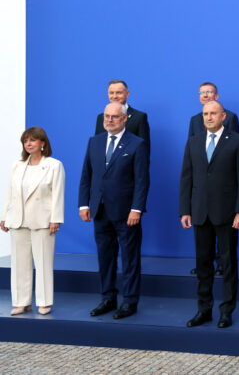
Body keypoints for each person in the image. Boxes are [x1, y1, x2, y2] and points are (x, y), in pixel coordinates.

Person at [180, 101, 239, 329]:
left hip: (228, 213)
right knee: (203, 264)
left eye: (213, 113)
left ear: (223, 116)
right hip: (200, 213)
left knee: (228, 263)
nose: (209, 117)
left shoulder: (238, 141)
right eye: (205, 114)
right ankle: (204, 310)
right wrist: (185, 210)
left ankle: (226, 311)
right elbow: (186, 178)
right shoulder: (193, 142)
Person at [79, 102, 150, 319]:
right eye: (106, 117)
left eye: (114, 117)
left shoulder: (137, 144)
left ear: (124, 118)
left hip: (126, 213)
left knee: (129, 258)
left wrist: (136, 209)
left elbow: (141, 181)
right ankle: (108, 298)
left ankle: (130, 301)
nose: (109, 120)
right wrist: (84, 204)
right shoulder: (95, 142)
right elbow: (86, 176)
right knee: (105, 257)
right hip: (100, 211)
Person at [1, 127, 64, 315]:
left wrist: (56, 219)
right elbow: (10, 193)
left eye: (33, 140)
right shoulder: (17, 165)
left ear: (42, 143)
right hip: (18, 219)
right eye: (25, 140)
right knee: (19, 263)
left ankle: (44, 302)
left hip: (43, 220)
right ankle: (22, 301)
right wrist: (4, 216)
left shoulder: (54, 165)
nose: (28, 144)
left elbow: (58, 194)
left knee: (43, 263)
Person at [187, 82, 239, 277]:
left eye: (209, 92)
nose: (205, 95)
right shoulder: (194, 120)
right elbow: (192, 154)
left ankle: (221, 264)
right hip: (202, 188)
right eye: (202, 93)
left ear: (217, 96)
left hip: (223, 188)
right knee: (202, 238)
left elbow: (235, 149)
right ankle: (204, 264)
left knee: (224, 235)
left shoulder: (231, 117)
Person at [94, 80, 150, 154]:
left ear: (127, 94)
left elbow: (144, 151)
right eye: (111, 93)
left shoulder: (139, 117)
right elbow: (96, 147)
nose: (114, 96)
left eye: (118, 93)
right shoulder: (101, 117)